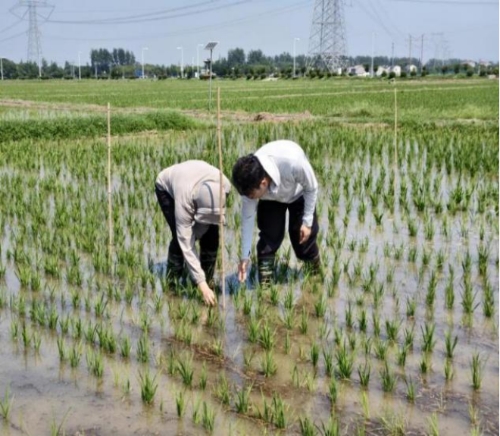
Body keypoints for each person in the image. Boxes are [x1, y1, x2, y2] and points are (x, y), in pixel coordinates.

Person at [231, 140, 321, 285]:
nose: (249, 198)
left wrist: (307, 222)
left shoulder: (293, 163)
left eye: (251, 196)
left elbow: (311, 187)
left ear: (263, 183)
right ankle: (265, 286)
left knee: (303, 241)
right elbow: (247, 219)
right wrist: (245, 256)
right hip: (271, 198)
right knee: (269, 238)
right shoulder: (249, 185)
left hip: (298, 193)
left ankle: (315, 277)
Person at [155, 160, 231, 306]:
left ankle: (207, 277)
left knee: (212, 235)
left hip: (196, 185)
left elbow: (211, 215)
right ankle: (173, 282)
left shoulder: (225, 185)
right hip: (168, 189)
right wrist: (201, 285)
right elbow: (186, 241)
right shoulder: (184, 198)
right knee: (179, 239)